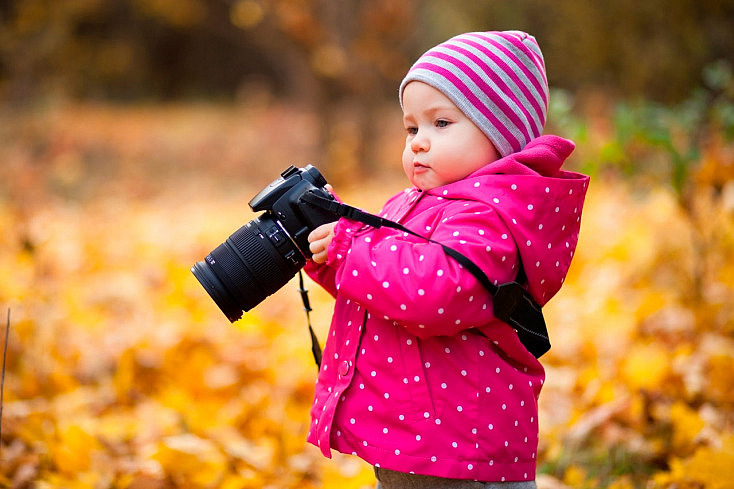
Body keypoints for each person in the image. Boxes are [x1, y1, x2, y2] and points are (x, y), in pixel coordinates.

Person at [304, 30, 590, 488]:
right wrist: (329, 257)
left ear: (502, 135)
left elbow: (435, 291)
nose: (418, 141)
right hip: (417, 436)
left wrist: (349, 250)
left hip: (457, 449)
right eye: (411, 128)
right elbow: (387, 288)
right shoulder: (417, 203)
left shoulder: (489, 217)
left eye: (441, 124)